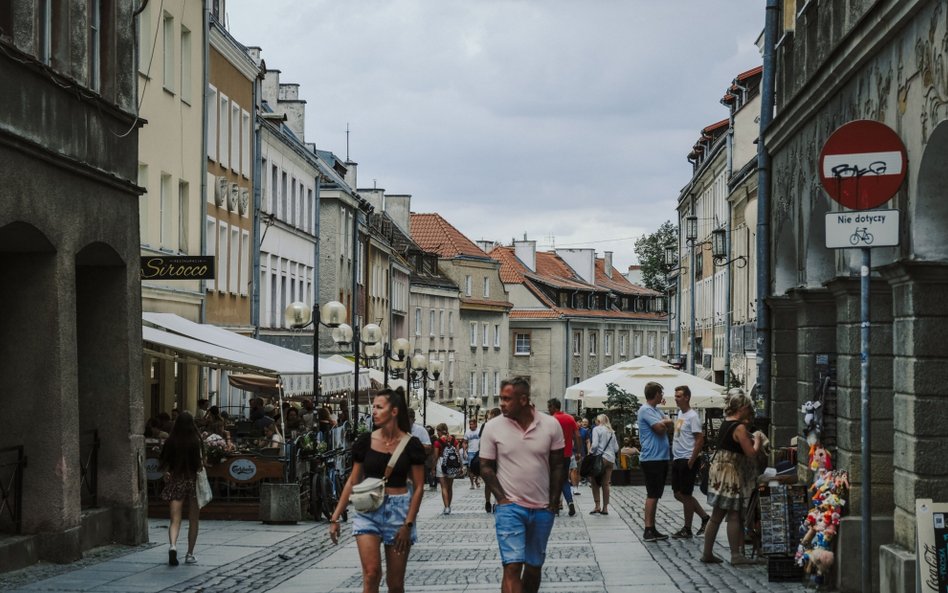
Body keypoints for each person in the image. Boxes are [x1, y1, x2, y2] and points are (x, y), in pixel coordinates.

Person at [328, 388, 426, 593]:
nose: (374, 411)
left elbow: (418, 488)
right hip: (368, 512)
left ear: (394, 411)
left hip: (399, 513)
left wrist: (408, 524)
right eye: (373, 407)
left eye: (379, 407)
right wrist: (335, 516)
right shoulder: (365, 442)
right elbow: (353, 481)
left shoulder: (412, 445)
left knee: (395, 584)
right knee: (371, 574)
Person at [480, 377, 564, 593]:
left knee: (534, 567)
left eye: (507, 399)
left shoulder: (551, 425)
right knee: (512, 566)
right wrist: (502, 499)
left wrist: (554, 501)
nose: (502, 403)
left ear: (524, 400)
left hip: (542, 508)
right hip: (510, 508)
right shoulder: (492, 427)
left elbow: (557, 466)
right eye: (501, 398)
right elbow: (486, 467)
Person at [700, 388, 765, 565]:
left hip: (720, 473)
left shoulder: (726, 422)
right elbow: (751, 453)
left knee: (716, 516)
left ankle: (707, 553)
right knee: (734, 515)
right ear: (742, 407)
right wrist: (758, 439)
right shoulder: (740, 428)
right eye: (748, 407)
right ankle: (736, 555)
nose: (750, 411)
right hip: (731, 475)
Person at [158, 411, 204, 566]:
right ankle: (190, 554)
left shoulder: (171, 440)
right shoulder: (196, 441)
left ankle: (173, 546)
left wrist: (166, 472)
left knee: (175, 519)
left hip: (176, 481)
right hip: (192, 482)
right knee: (193, 520)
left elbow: (163, 463)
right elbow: (200, 465)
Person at [670, 385, 712, 539]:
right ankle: (704, 517)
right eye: (676, 395)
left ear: (687, 397)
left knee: (686, 494)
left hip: (687, 459)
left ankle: (687, 528)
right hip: (678, 458)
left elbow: (699, 439)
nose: (676, 398)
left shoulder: (693, 416)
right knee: (677, 493)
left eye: (679, 396)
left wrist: (692, 459)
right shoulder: (680, 413)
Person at [638, 381, 674, 541]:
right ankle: (648, 529)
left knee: (656, 493)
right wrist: (665, 423)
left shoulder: (656, 411)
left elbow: (668, 423)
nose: (663, 396)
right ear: (656, 394)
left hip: (660, 457)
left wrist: (665, 422)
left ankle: (652, 527)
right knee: (652, 493)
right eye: (661, 393)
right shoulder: (645, 410)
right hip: (652, 458)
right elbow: (660, 429)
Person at [547, 398, 579, 516]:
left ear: (554, 407)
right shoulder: (570, 418)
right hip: (567, 455)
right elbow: (577, 435)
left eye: (549, 407)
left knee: (553, 480)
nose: (548, 409)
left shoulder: (551, 420)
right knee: (564, 480)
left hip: (553, 455)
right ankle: (570, 503)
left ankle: (554, 506)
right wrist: (579, 451)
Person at [587, 414, 619, 516]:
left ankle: (597, 506)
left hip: (600, 459)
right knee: (606, 484)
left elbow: (595, 445)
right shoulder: (611, 432)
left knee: (594, 482)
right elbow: (616, 448)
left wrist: (590, 452)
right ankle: (605, 508)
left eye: (597, 420)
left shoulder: (597, 429)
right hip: (610, 460)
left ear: (599, 421)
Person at [433, 423, 462, 514]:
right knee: (450, 487)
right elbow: (458, 454)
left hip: (441, 463)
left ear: (441, 431)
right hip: (452, 463)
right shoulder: (454, 440)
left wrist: (432, 468)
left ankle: (446, 507)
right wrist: (460, 466)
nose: (437, 433)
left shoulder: (437, 442)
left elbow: (436, 456)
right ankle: (448, 506)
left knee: (443, 487)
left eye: (437, 431)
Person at [482, 407, 501, 513]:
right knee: (499, 480)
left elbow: (482, 440)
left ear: (493, 415)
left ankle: (488, 502)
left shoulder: (486, 425)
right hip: (499, 456)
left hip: (488, 456)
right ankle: (495, 502)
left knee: (489, 481)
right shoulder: (504, 425)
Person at [463, 417, 481, 489]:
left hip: (478, 452)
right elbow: (464, 442)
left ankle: (476, 480)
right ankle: (472, 484)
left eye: (472, 424)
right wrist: (464, 451)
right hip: (470, 452)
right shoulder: (467, 432)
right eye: (470, 424)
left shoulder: (479, 431)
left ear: (476, 424)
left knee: (479, 468)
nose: (471, 426)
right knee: (470, 468)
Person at [577, 418, 592, 486]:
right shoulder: (573, 430)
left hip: (583, 451)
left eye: (586, 422)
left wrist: (589, 451)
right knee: (575, 467)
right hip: (574, 451)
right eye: (583, 422)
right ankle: (575, 480)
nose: (583, 423)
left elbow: (588, 441)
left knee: (581, 466)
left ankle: (581, 480)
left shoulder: (585, 431)